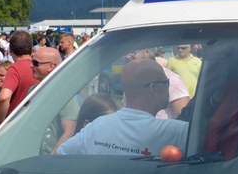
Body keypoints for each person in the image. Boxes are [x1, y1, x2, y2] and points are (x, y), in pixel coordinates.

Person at [55, 59, 188, 157]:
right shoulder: (177, 132)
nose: (169, 87)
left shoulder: (96, 127)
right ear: (154, 89)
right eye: (167, 83)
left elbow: (61, 154)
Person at [0, 30, 37, 127]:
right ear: (31, 48)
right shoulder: (39, 67)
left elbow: (4, 97)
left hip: (16, 124)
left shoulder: (15, 69)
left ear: (10, 50)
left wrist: (0, 123)